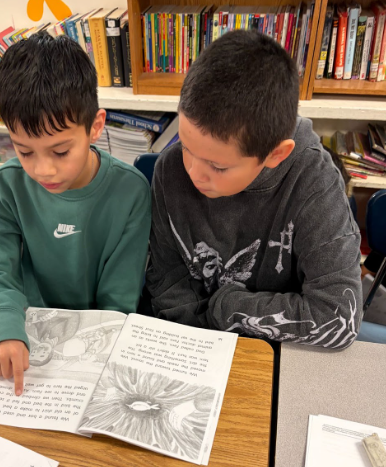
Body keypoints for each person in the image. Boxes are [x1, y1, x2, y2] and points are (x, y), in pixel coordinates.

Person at [145, 30, 362, 349]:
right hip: (191, 347)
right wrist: (197, 338)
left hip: (278, 354)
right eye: (186, 146)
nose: (193, 172)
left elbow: (337, 318)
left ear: (276, 154)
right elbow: (167, 280)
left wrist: (224, 310)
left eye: (218, 166)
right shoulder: (170, 168)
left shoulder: (314, 183)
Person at [0, 34, 151, 395]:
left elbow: (119, 297)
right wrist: (3, 326)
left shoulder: (130, 192)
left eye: (61, 151)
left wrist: (97, 348)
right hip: (28, 331)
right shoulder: (6, 187)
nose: (43, 170)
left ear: (95, 127)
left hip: (95, 342)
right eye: (25, 151)